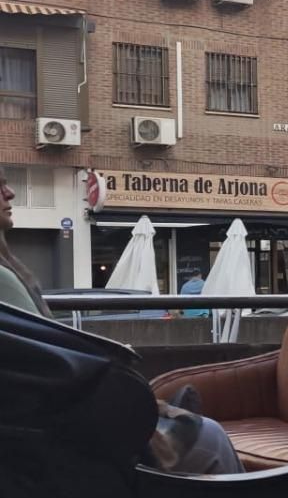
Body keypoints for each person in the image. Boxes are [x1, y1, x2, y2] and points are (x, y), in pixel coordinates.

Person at [0, 172, 241, 474]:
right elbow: (48, 367)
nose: (9, 192)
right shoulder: (3, 278)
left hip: (35, 433)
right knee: (212, 436)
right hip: (54, 441)